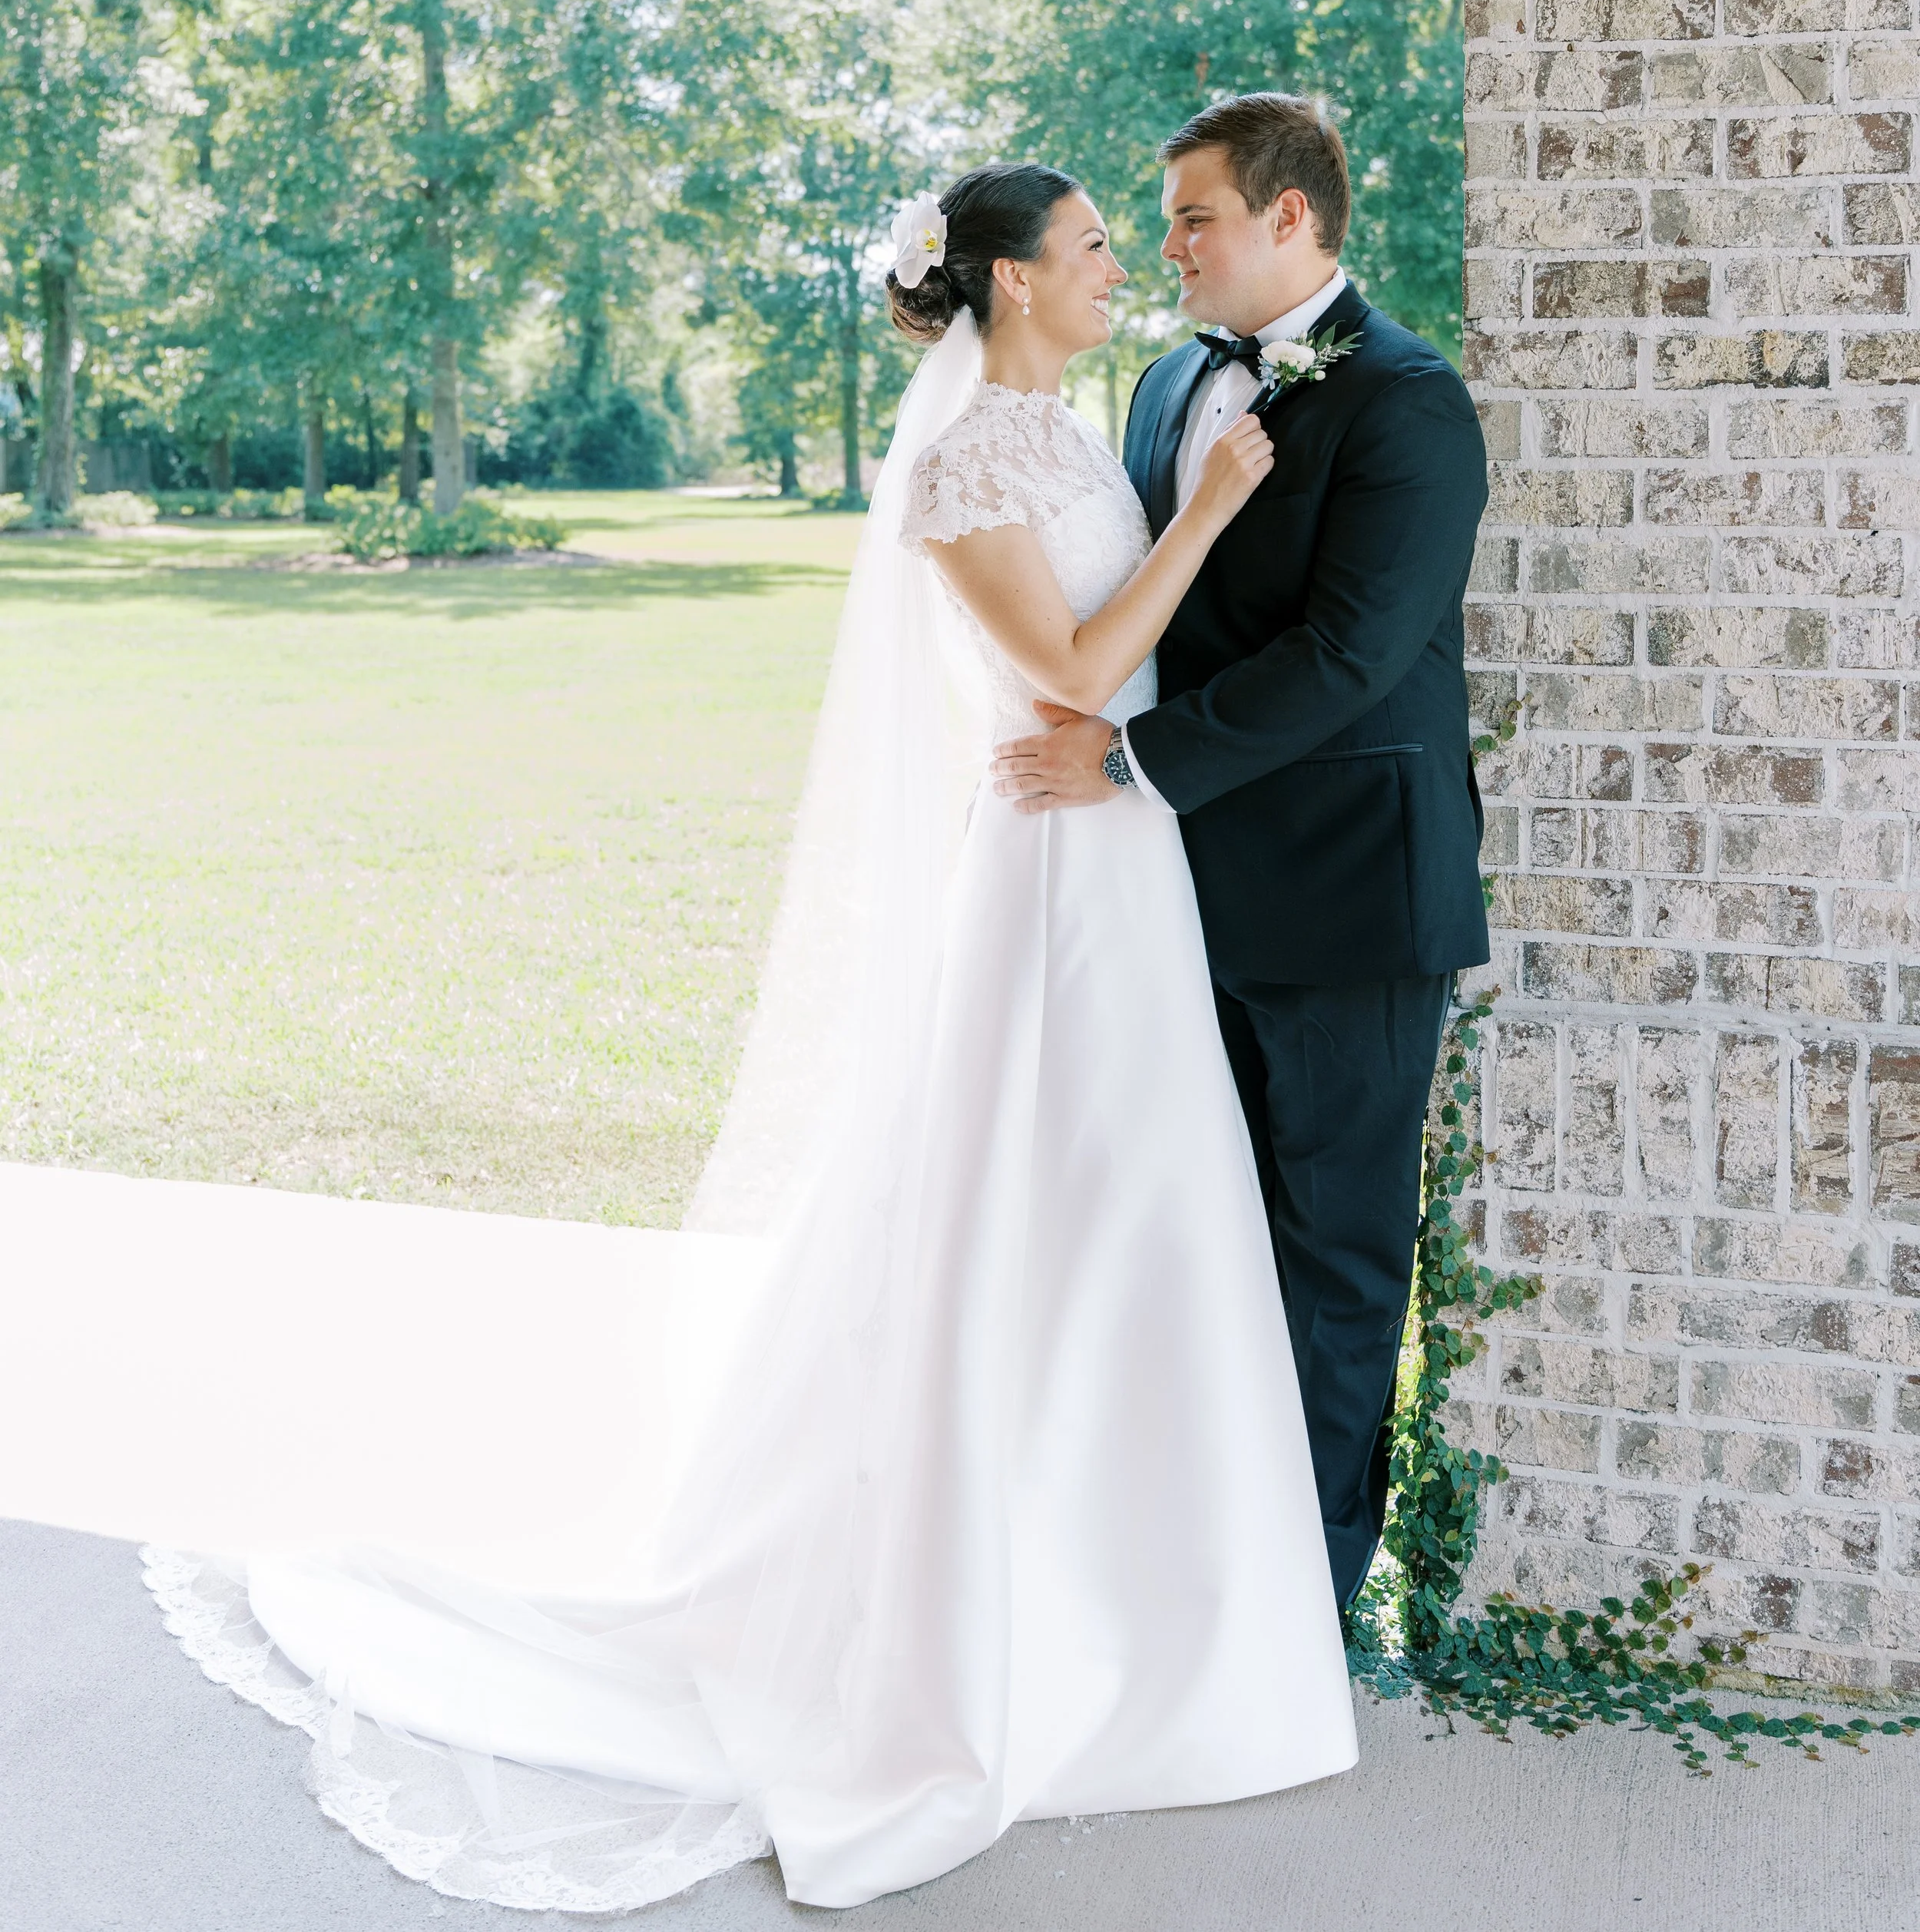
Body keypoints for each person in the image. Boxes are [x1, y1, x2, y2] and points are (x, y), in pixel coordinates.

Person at [148, 157, 1355, 1916]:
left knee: (1132, 1238)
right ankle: (982, 1634)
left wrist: (1190, 506)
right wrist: (1208, 515)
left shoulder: (1080, 431)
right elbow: (1074, 680)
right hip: (1048, 888)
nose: (1121, 269)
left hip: (1129, 871)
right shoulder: (961, 466)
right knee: (1037, 1228)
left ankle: (1142, 1611)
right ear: (1009, 282)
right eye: (1093, 248)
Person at [992, 96, 1490, 1610]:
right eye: (1162, 219)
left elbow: (1348, 655)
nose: (1167, 247)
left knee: (1333, 1267)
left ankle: (1303, 1610)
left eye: (1194, 215)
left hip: (1345, 901)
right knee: (1184, 1242)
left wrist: (1128, 762)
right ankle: (1180, 1580)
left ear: (1291, 218)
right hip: (1167, 897)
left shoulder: (1409, 402)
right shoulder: (1159, 388)